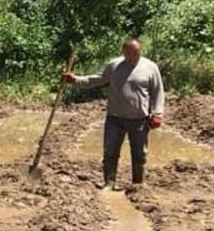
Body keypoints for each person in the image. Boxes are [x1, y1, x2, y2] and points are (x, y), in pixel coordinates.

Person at [63, 38, 165, 190]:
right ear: (123, 52)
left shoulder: (150, 67)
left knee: (139, 152)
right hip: (115, 118)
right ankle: (109, 183)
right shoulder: (114, 65)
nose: (132, 57)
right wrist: (75, 80)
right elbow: (97, 79)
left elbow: (158, 92)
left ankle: (138, 184)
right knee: (110, 151)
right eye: (129, 54)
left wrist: (157, 113)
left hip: (139, 119)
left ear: (140, 51)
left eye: (135, 53)